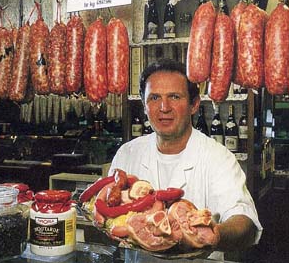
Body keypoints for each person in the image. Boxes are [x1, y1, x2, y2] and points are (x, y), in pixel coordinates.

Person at [108, 59, 262, 260]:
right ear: (144, 106)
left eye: (174, 96)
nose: (164, 107)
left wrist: (213, 235)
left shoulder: (217, 157)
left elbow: (245, 222)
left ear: (194, 105)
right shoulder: (127, 154)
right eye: (154, 97)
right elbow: (109, 216)